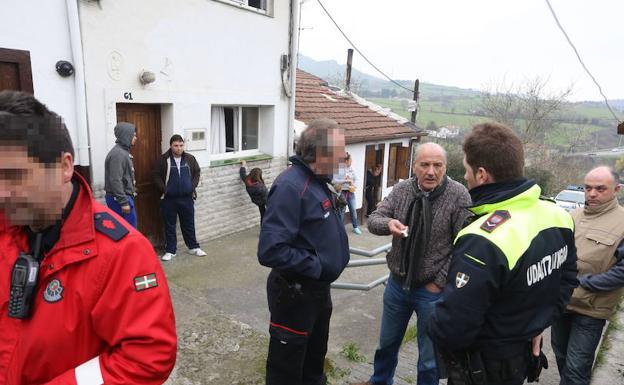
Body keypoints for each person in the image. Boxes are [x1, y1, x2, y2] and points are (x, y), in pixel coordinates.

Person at [0, 90, 177, 384]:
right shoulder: (7, 231)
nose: (1, 193)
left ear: (64, 167)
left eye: (15, 175)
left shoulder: (123, 253)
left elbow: (148, 354)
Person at [429, 122, 578, 385]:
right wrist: (536, 325)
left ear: (482, 175)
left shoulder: (484, 238)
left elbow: (454, 327)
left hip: (485, 364)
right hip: (522, 351)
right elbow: (566, 279)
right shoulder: (557, 215)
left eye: (466, 171)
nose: (465, 177)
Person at [351, 142, 471, 385]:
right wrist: (388, 225)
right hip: (397, 286)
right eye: (425, 165)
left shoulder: (459, 195)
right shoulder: (402, 190)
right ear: (414, 166)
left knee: (429, 359)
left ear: (445, 167)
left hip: (432, 292)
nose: (431, 171)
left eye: (437, 165)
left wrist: (439, 282)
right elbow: (375, 218)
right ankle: (380, 382)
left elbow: (465, 246)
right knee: (386, 345)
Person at [258, 118, 350, 385]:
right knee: (286, 372)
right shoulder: (291, 186)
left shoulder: (319, 180)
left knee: (313, 363)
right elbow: (270, 250)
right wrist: (318, 266)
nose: (344, 157)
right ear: (320, 154)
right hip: (294, 296)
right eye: (340, 152)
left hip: (318, 293)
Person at [551, 166, 624, 385]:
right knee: (561, 358)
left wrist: (585, 284)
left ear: (617, 189)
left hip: (591, 309)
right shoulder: (571, 216)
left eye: (600, 189)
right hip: (562, 304)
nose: (592, 194)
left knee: (576, 369)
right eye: (588, 188)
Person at [153, 134, 206, 261]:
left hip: (186, 198)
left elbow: (197, 173)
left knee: (188, 223)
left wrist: (191, 187)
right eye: (176, 146)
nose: (179, 148)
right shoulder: (163, 160)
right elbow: (155, 175)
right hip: (169, 199)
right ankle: (170, 251)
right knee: (169, 225)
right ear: (171, 146)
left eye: (181, 145)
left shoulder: (190, 159)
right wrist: (165, 190)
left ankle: (193, 247)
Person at [104, 121, 138, 227]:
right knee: (128, 232)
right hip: (119, 200)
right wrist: (123, 202)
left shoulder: (122, 152)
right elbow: (115, 179)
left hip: (123, 197)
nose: (135, 138)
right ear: (126, 136)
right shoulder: (118, 154)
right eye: (133, 135)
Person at [333, 152, 363, 234]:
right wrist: (346, 181)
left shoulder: (351, 169)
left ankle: (355, 227)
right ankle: (341, 229)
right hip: (341, 192)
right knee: (342, 210)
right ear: (345, 161)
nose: (351, 161)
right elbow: (334, 181)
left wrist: (355, 185)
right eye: (350, 160)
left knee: (353, 209)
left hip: (350, 192)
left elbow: (356, 179)